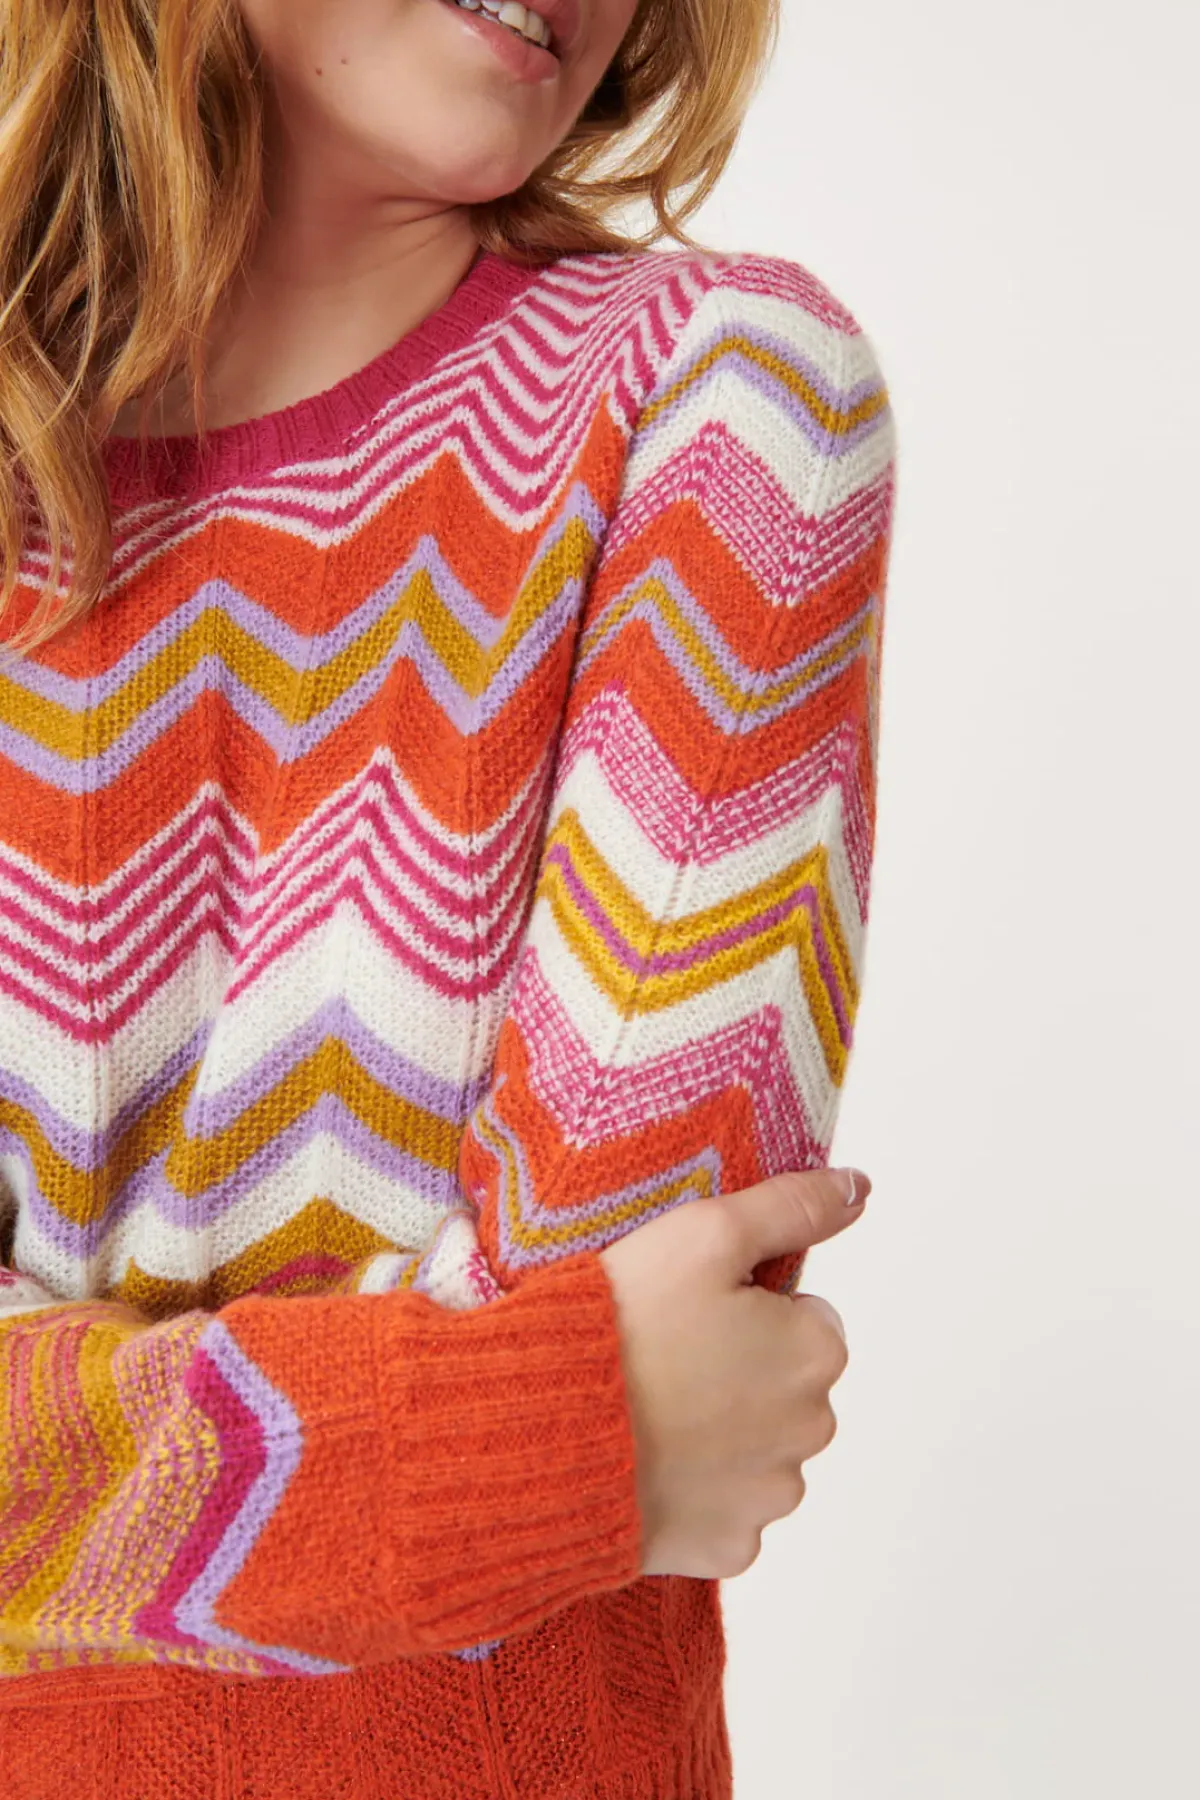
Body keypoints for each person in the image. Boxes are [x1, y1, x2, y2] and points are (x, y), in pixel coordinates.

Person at [0, 0, 898, 1793]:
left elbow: (643, 1319)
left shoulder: (731, 397)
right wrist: (516, 1443)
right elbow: (603, 1413)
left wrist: (88, 1480)